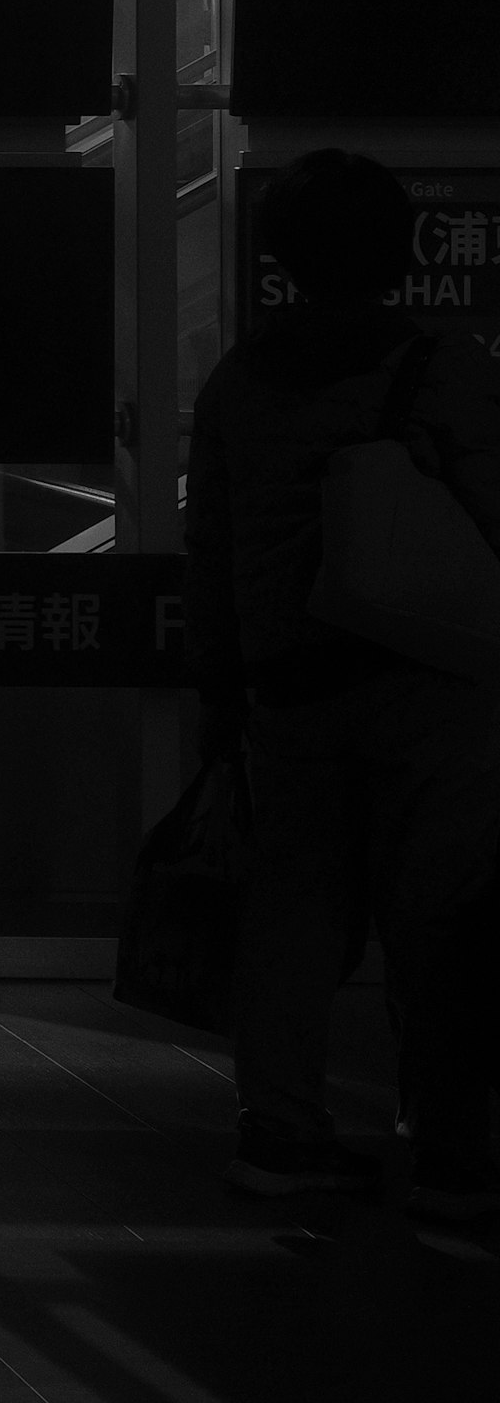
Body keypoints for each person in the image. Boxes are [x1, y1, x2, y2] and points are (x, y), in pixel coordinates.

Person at [187, 147, 500, 1225]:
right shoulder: (444, 370)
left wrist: (223, 692)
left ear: (279, 256)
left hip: (289, 689)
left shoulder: (238, 379)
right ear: (404, 251)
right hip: (437, 686)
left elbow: (211, 547)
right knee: (444, 915)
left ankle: (279, 1134)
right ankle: (456, 1154)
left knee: (293, 915)